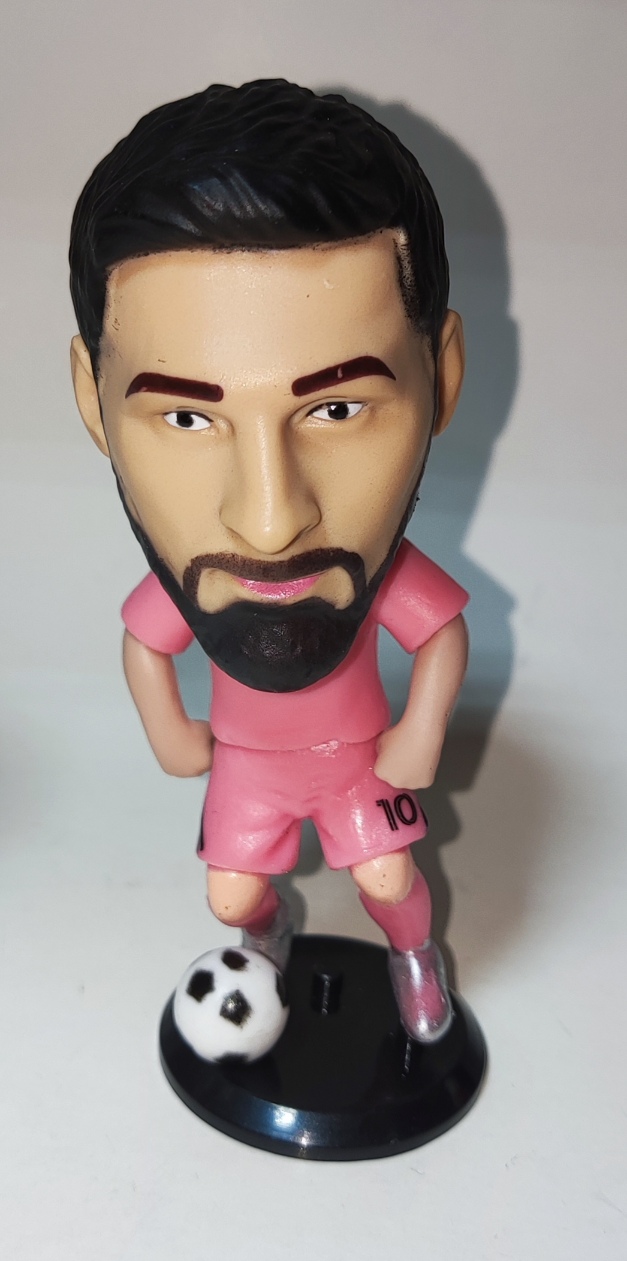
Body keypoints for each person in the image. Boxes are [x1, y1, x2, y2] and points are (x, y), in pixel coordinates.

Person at [69, 79, 467, 1043]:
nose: (270, 520)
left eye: (336, 409)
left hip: (355, 758)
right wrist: (171, 728)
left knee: (386, 875)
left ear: (442, 379)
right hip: (248, 766)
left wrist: (419, 729)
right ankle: (269, 929)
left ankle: (415, 952)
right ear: (92, 402)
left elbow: (441, 633)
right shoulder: (197, 585)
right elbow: (144, 641)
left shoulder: (372, 575)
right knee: (227, 894)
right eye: (187, 417)